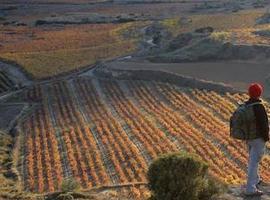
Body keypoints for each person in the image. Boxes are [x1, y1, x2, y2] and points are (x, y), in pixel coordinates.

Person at [245, 83, 269, 196]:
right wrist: (266, 138)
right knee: (254, 162)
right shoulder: (259, 106)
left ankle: (256, 179)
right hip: (258, 138)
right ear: (259, 93)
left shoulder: (246, 105)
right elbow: (264, 124)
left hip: (249, 137)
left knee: (252, 159)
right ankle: (250, 188)